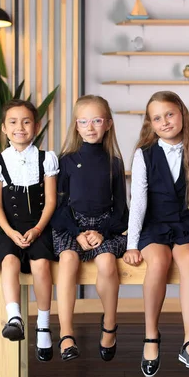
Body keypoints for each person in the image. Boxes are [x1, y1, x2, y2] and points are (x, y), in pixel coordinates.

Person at [123, 90, 189, 377]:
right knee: (158, 262)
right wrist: (132, 245)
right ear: (150, 124)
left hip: (183, 223)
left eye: (169, 114)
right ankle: (151, 337)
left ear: (181, 113)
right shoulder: (144, 155)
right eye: (157, 118)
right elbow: (139, 202)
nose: (165, 121)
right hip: (153, 225)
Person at [0, 99, 58, 363]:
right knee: (8, 261)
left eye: (27, 121)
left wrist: (38, 228)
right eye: (13, 122)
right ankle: (15, 318)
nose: (20, 127)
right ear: (4, 129)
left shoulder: (46, 159)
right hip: (7, 228)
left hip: (40, 226)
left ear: (37, 126)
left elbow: (52, 200)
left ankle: (43, 325)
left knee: (41, 264)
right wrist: (9, 232)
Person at [51, 95, 128, 362]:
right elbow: (56, 206)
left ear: (107, 124)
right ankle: (66, 333)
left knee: (107, 263)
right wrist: (76, 232)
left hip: (105, 227)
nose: (90, 127)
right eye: (84, 122)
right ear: (76, 126)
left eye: (96, 120)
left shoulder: (114, 163)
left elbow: (122, 210)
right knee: (68, 260)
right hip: (71, 226)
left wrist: (103, 232)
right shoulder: (66, 161)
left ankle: (109, 326)